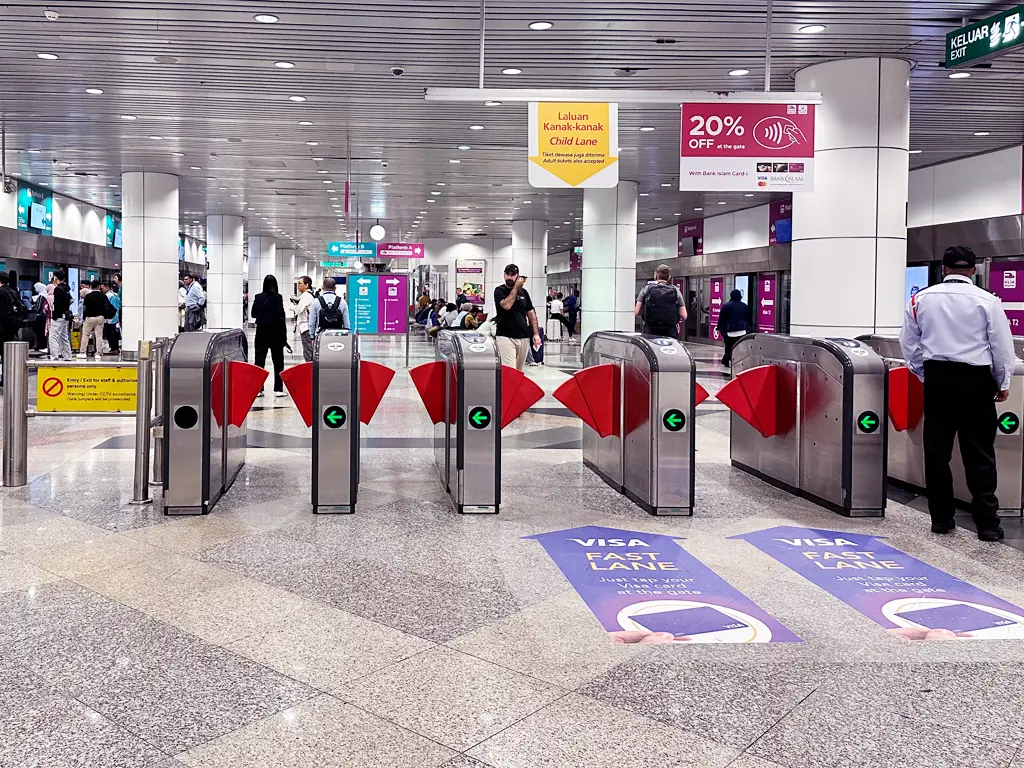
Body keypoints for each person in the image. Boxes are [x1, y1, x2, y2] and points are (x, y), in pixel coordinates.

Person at [899, 245, 1016, 542]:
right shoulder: (988, 301)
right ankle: (987, 525)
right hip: (976, 383)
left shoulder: (920, 300)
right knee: (980, 455)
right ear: (973, 271)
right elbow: (1002, 348)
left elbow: (909, 345)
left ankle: (941, 519)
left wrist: (926, 375)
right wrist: (1003, 384)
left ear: (943, 269)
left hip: (939, 381)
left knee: (937, 453)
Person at [493, 264, 541, 371]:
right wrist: (515, 287)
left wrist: (536, 334)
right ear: (504, 275)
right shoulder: (499, 291)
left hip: (523, 336)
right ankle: (508, 388)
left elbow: (531, 313)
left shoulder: (524, 293)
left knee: (519, 371)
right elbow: (506, 305)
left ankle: (515, 388)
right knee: (510, 371)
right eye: (507, 274)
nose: (509, 277)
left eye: (512, 274)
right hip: (505, 336)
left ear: (517, 276)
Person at [250, 275, 288, 397]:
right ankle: (278, 389)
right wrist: (284, 337)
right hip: (276, 333)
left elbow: (253, 314)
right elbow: (281, 317)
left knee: (259, 361)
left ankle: (258, 389)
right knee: (278, 361)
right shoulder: (278, 298)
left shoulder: (258, 297)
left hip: (261, 333)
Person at [635, 265, 687, 339]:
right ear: (669, 277)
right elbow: (684, 315)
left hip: (650, 331)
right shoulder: (675, 290)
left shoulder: (646, 289)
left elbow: (637, 312)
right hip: (669, 331)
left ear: (655, 275)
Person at [308, 277, 350, 341]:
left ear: (322, 287)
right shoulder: (342, 301)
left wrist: (312, 337)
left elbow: (312, 322)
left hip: (321, 336)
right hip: (338, 336)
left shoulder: (316, 301)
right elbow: (346, 322)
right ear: (335, 288)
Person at [0, 272, 26, 373]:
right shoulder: (13, 291)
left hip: (2, 327)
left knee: (3, 351)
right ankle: (8, 376)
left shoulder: (1, 292)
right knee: (7, 353)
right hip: (13, 326)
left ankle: (5, 377)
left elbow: (2, 311)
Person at [717, 289, 751, 367]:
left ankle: (726, 360)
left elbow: (722, 318)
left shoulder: (726, 306)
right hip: (742, 330)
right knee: (738, 346)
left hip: (729, 330)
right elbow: (748, 318)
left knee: (728, 346)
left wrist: (718, 327)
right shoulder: (744, 306)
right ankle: (733, 359)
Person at [79, 280, 109, 358]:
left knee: (85, 335)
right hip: (100, 317)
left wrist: (83, 318)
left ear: (91, 287)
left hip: (90, 318)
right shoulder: (103, 296)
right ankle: (98, 353)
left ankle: (83, 352)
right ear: (99, 286)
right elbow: (107, 307)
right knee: (99, 336)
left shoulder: (88, 296)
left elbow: (84, 308)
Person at [48, 270, 73, 361]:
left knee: (53, 337)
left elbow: (57, 304)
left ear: (55, 278)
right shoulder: (66, 288)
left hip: (58, 316)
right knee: (64, 336)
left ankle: (54, 356)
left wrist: (54, 316)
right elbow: (71, 300)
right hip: (65, 316)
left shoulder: (58, 289)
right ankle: (67, 356)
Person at [295, 276, 315, 362]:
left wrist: (293, 306)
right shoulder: (309, 295)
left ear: (306, 285)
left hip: (305, 327)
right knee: (308, 349)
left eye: (300, 283)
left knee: (308, 351)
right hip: (307, 326)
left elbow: (298, 310)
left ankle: (310, 371)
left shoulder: (306, 295)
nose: (298, 286)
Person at [102, 280, 121, 354]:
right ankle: (115, 348)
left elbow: (110, 307)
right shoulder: (115, 294)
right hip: (115, 316)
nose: (102, 289)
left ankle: (114, 348)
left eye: (103, 287)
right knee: (114, 333)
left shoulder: (109, 296)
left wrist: (108, 318)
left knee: (110, 334)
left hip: (110, 317)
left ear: (107, 287)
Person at [31, 282, 48, 351]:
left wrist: (33, 307)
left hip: (41, 316)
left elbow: (38, 307)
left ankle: (41, 345)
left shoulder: (41, 296)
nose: (35, 290)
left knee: (39, 330)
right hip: (46, 316)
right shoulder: (46, 295)